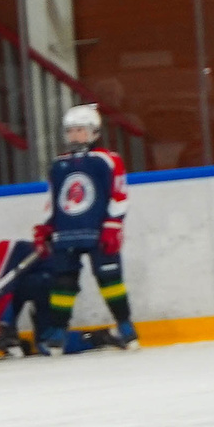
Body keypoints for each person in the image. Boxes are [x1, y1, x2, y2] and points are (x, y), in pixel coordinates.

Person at [34, 104, 140, 352]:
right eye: (70, 131)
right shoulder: (58, 164)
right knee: (63, 281)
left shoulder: (107, 160)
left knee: (109, 278)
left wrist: (113, 225)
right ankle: (58, 331)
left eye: (80, 130)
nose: (74, 136)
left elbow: (119, 194)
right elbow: (54, 200)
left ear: (94, 132)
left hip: (98, 229)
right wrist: (46, 227)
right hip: (66, 230)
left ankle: (125, 326)